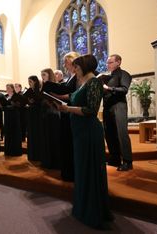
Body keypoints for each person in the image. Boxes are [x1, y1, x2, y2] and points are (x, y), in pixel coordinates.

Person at [57, 54, 113, 229]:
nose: (75, 70)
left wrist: (68, 109)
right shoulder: (82, 83)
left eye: (77, 67)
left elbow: (91, 110)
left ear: (85, 67)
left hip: (89, 131)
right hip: (79, 131)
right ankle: (82, 207)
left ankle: (93, 211)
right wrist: (53, 97)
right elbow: (72, 96)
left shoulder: (94, 82)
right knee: (82, 169)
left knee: (90, 169)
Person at [42, 51, 80, 181]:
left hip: (71, 112)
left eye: (66, 62)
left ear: (74, 62)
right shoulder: (71, 77)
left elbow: (72, 95)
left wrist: (55, 96)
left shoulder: (77, 77)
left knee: (69, 144)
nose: (64, 65)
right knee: (65, 143)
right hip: (65, 112)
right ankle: (67, 172)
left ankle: (71, 173)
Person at [102, 54, 133, 171]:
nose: (107, 64)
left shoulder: (124, 74)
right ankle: (115, 159)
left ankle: (127, 161)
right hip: (107, 107)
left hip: (118, 106)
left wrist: (109, 88)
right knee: (109, 134)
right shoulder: (107, 77)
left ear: (118, 62)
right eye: (107, 63)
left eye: (110, 62)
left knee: (121, 134)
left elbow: (124, 89)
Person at [40, 68, 61, 169]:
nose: (42, 77)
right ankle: (47, 160)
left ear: (49, 75)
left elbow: (58, 101)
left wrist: (50, 102)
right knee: (46, 138)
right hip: (45, 115)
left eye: (44, 75)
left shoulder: (54, 86)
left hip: (53, 115)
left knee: (54, 139)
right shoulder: (43, 87)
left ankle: (55, 162)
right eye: (41, 75)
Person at [23, 76, 44, 162]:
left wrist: (33, 102)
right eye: (28, 81)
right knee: (30, 133)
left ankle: (38, 155)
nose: (29, 83)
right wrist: (27, 102)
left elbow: (41, 101)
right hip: (30, 114)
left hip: (37, 115)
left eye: (31, 81)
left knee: (36, 133)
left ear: (35, 82)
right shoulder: (28, 91)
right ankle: (31, 155)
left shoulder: (39, 90)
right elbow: (23, 99)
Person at [3, 84, 23, 156]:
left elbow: (20, 106)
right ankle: (8, 150)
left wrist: (14, 104)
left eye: (8, 88)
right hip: (7, 116)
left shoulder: (17, 96)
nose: (7, 89)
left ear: (12, 89)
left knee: (14, 132)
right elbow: (3, 106)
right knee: (8, 132)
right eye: (6, 88)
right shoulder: (5, 97)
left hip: (14, 116)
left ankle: (15, 151)